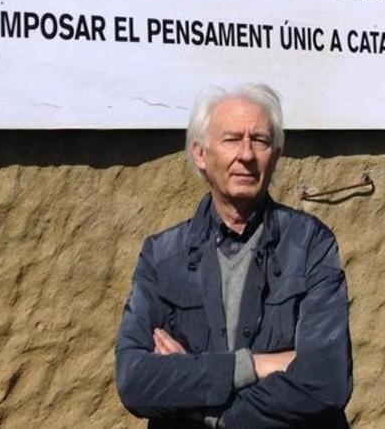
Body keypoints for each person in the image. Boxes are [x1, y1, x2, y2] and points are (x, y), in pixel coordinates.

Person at [115, 84, 352, 428]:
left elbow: (326, 381)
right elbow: (135, 380)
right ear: (200, 154)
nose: (247, 154)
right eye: (231, 139)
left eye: (260, 140)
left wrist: (206, 407)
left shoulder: (310, 243)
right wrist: (253, 365)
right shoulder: (162, 256)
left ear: (277, 154)